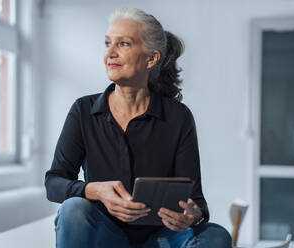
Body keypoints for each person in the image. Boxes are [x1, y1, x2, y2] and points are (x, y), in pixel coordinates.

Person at [45, 7, 231, 248]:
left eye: (123, 44)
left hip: (162, 238)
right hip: (105, 236)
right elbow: (54, 183)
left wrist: (192, 215)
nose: (109, 53)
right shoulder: (83, 111)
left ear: (151, 59)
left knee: (217, 236)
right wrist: (96, 190)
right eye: (107, 43)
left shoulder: (178, 117)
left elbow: (195, 201)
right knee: (73, 209)